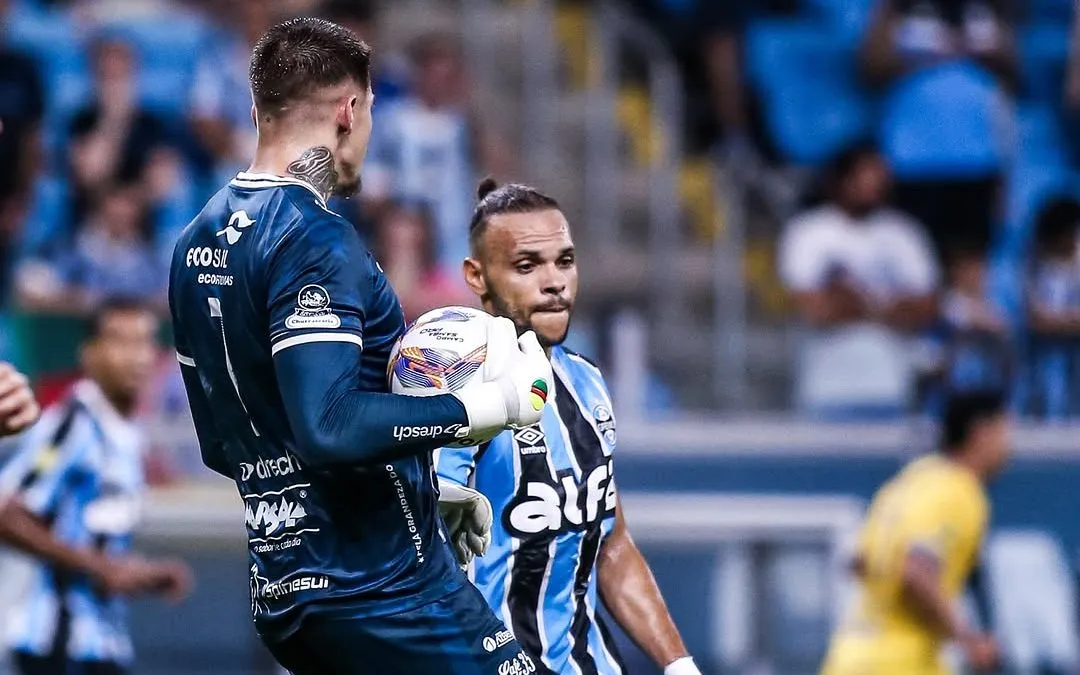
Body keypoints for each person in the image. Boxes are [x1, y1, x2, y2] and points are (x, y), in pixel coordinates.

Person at [167, 18, 552, 675]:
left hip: (286, 591)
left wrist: (420, 490)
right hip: (382, 589)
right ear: (351, 111)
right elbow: (329, 426)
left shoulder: (194, 243)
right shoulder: (315, 238)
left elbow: (225, 443)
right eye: (371, 113)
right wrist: (485, 406)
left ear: (259, 110)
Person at [435, 179, 701, 675]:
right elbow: (421, 550)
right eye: (527, 266)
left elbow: (612, 543)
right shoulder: (455, 389)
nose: (554, 281)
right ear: (477, 276)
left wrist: (679, 665)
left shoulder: (589, 382)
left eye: (565, 261)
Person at [0, 299, 192, 675]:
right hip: (53, 641)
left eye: (145, 342)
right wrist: (103, 567)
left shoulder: (128, 434)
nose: (136, 357)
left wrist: (139, 574)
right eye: (121, 342)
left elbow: (90, 534)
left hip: (101, 641)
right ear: (89, 353)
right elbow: (8, 515)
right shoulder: (74, 423)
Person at [820, 389, 1010, 675]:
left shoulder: (908, 482)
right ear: (982, 432)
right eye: (1005, 432)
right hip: (901, 664)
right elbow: (915, 571)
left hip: (848, 656)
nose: (1009, 447)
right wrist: (967, 639)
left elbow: (858, 562)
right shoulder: (958, 491)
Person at [779, 142, 938, 417]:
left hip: (891, 383)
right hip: (826, 384)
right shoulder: (808, 232)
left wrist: (854, 301)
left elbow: (927, 307)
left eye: (878, 179)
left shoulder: (903, 233)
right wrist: (888, 306)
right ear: (839, 181)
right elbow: (814, 309)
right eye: (864, 178)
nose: (873, 187)